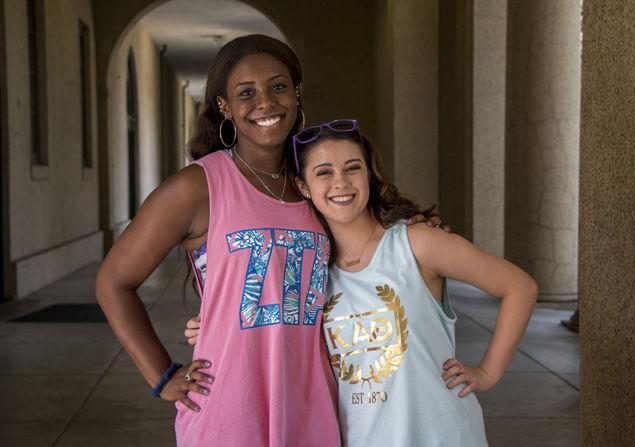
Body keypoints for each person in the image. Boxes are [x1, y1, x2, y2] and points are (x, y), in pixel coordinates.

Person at [96, 35, 438, 446]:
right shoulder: (198, 187)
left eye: (278, 86)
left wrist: (414, 228)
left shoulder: (315, 184)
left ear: (296, 94)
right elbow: (114, 281)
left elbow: (367, 239)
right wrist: (162, 375)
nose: (265, 102)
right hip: (229, 408)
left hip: (315, 403)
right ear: (224, 105)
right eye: (246, 93)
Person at [187, 119, 539, 446]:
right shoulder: (314, 271)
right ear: (303, 186)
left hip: (442, 434)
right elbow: (273, 322)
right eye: (323, 172)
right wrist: (214, 325)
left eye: (352, 167)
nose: (340, 182)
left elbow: (519, 287)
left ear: (369, 175)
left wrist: (488, 372)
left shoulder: (416, 244)